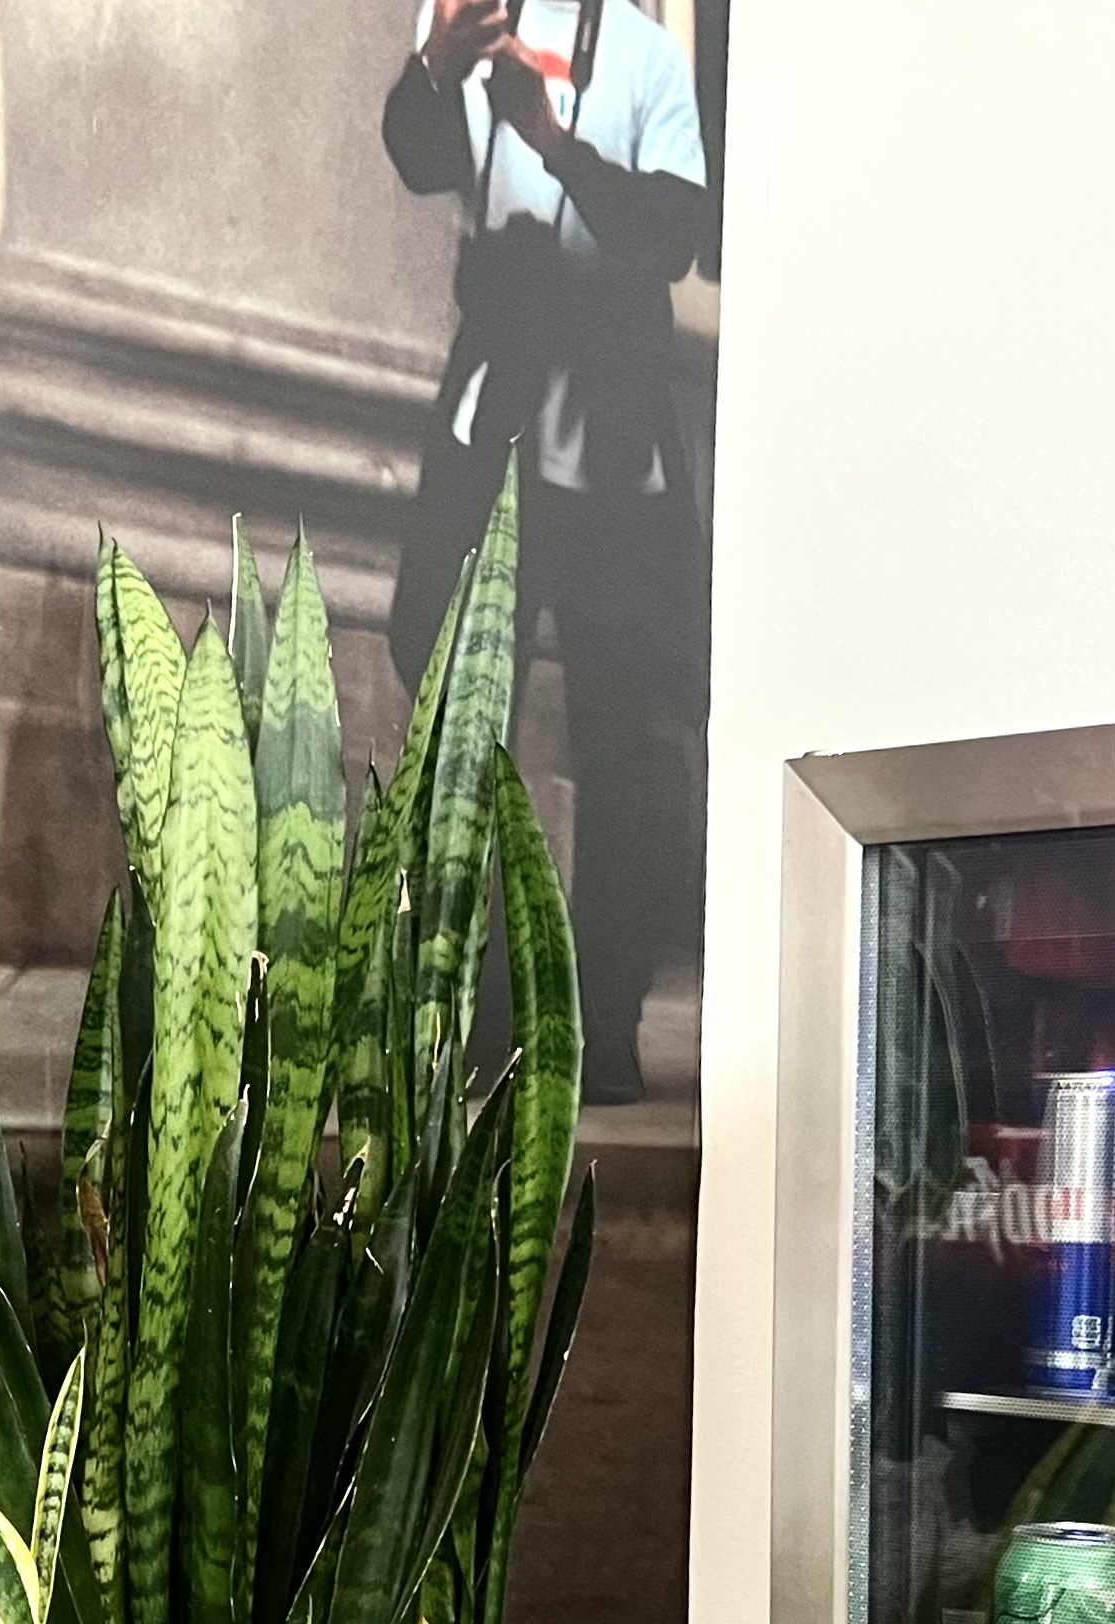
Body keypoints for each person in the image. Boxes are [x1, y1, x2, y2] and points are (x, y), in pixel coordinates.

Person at [384, 0, 712, 1104]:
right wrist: (437, 69)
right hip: (500, 414)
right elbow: (419, 159)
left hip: (611, 438)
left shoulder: (646, 56)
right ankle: (471, 1008)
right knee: (452, 695)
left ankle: (600, 1021)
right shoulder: (468, 21)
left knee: (621, 731)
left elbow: (670, 234)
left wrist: (553, 142)